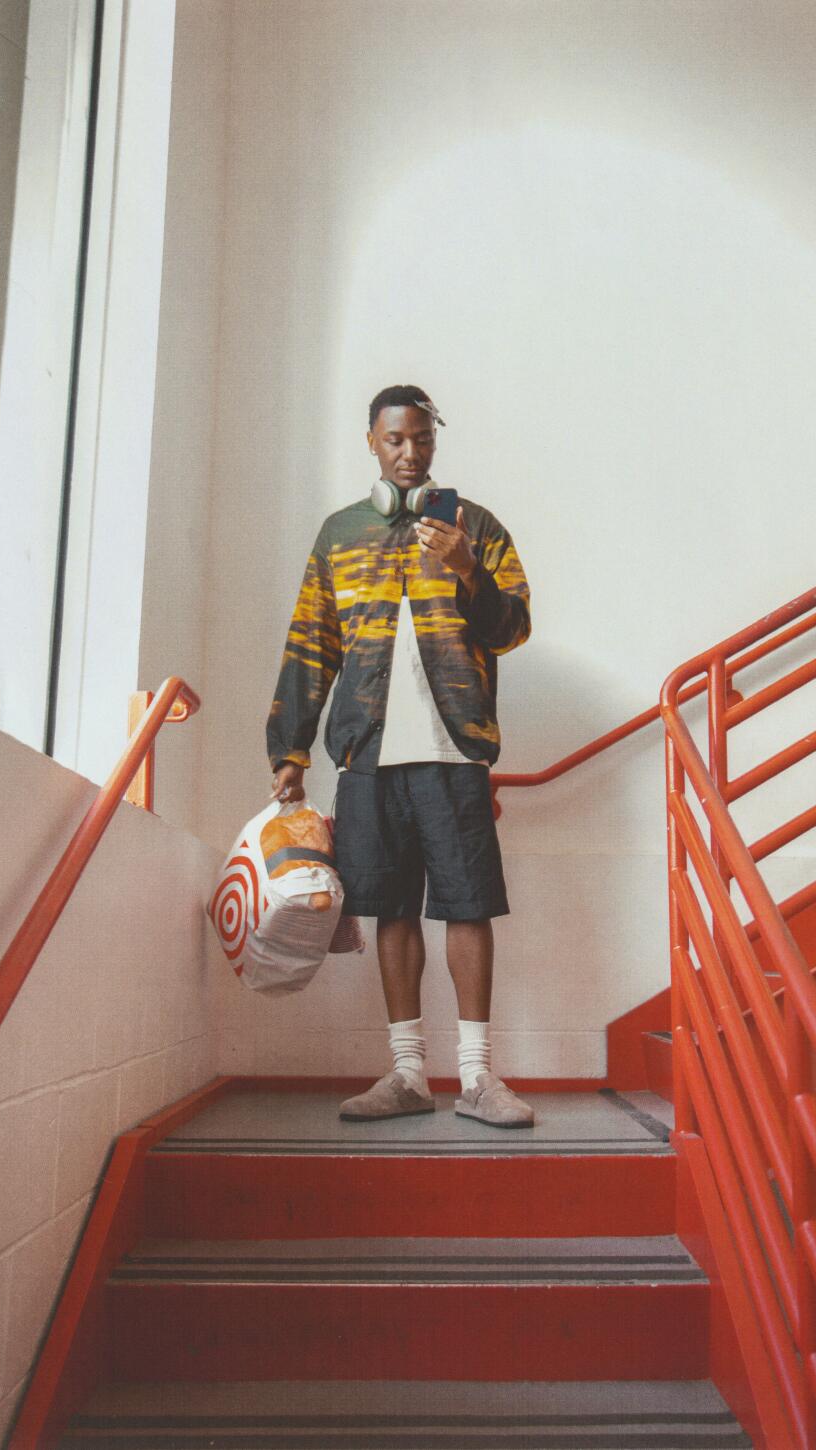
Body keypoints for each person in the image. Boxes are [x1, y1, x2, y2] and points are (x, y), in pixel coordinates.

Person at [268, 384, 537, 1128]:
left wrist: (467, 572)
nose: (410, 453)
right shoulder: (339, 535)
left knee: (468, 905)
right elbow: (310, 644)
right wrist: (290, 746)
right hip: (368, 751)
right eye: (396, 440)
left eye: (421, 439)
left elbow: (513, 626)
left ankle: (479, 1077)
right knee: (389, 907)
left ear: (434, 442)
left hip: (455, 749)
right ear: (372, 443)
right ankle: (409, 1073)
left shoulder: (474, 527)